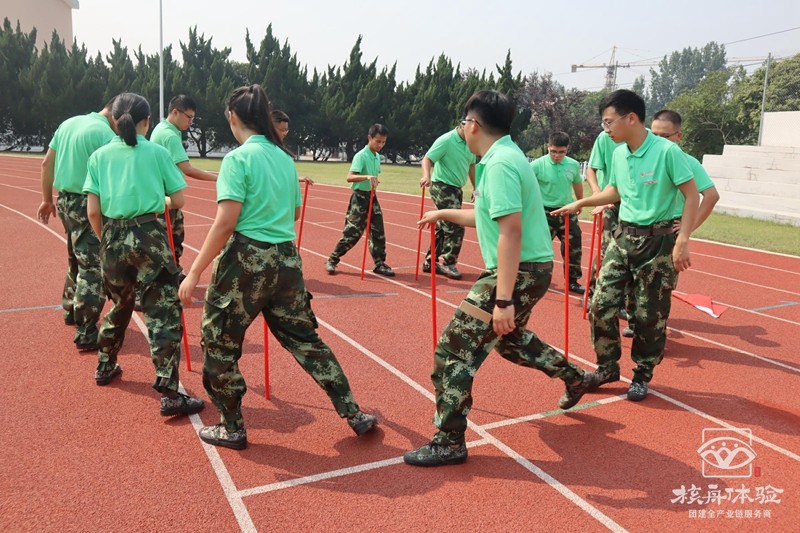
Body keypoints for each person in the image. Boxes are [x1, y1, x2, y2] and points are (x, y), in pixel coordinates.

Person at [403, 90, 596, 467]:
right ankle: (575, 377)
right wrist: (443, 213)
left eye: (463, 123)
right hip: (529, 269)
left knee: (452, 352)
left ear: (473, 124)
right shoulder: (505, 156)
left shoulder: (500, 164)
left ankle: (449, 441)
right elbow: (488, 216)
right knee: (509, 340)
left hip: (518, 271)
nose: (462, 129)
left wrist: (504, 299)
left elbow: (510, 231)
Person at [178, 85, 377, 450]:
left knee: (219, 343)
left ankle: (231, 426)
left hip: (246, 260)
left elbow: (226, 222)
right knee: (306, 340)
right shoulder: (285, 159)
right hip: (286, 260)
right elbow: (295, 212)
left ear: (232, 117)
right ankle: (353, 411)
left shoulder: (237, 159)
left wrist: (194, 272)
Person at [551, 89, 699, 402]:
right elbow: (615, 191)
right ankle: (607, 367)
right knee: (600, 305)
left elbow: (692, 195)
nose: (606, 129)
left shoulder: (667, 152)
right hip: (622, 239)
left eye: (609, 122)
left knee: (648, 317)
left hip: (657, 244)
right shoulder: (618, 153)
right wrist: (582, 202)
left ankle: (642, 373)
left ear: (631, 118)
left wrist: (683, 240)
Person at [83, 92, 204, 417]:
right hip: (149, 234)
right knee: (162, 312)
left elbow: (93, 211)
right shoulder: (157, 152)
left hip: (112, 236)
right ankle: (170, 393)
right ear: (147, 121)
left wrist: (108, 240)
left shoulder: (99, 157)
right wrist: (156, 201)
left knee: (119, 306)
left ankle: (105, 365)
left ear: (114, 120)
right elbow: (178, 200)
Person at [38, 99, 116, 352]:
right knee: (92, 266)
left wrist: (46, 199)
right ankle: (86, 329)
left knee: (75, 256)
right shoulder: (105, 134)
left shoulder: (68, 124)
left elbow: (46, 163)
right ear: (116, 115)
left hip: (65, 201)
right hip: (87, 202)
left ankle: (71, 308)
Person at [149, 94, 217, 269]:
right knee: (168, 241)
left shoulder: (162, 128)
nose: (191, 122)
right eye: (189, 117)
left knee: (170, 238)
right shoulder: (169, 136)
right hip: (166, 195)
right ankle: (169, 276)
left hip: (160, 192)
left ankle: (172, 272)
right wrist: (218, 178)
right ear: (175, 112)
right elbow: (187, 169)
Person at [325, 124, 395, 277]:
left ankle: (379, 263)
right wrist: (366, 177)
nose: (380, 145)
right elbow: (350, 177)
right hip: (359, 198)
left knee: (378, 232)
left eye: (383, 142)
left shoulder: (376, 157)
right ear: (370, 138)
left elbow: (374, 175)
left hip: (372, 197)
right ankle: (332, 259)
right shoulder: (361, 156)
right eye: (378, 141)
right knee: (352, 233)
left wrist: (373, 180)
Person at [585, 130, 631, 335]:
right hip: (609, 205)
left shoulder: (645, 139)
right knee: (606, 253)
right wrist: (598, 195)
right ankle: (594, 295)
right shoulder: (605, 138)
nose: (609, 127)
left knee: (628, 255)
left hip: (631, 205)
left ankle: (622, 302)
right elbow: (591, 169)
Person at [418, 123, 476, 280]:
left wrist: (476, 188)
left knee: (443, 226)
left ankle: (430, 261)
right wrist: (426, 175)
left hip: (456, 189)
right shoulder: (446, 140)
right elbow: (427, 159)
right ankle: (449, 263)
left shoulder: (471, 142)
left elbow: (472, 165)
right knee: (456, 224)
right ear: (462, 124)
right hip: (441, 186)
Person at [531, 131, 586, 294]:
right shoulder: (537, 165)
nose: (557, 155)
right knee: (537, 249)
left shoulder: (573, 165)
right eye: (553, 151)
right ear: (548, 147)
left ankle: (572, 281)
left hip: (567, 212)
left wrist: (579, 202)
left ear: (567, 149)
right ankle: (533, 279)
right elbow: (526, 186)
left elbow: (577, 184)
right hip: (544, 213)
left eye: (561, 152)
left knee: (573, 248)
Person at [271, 109, 314, 184]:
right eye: (282, 130)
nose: (284, 133)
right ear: (271, 128)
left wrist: (298, 179)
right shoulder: (265, 149)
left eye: (286, 130)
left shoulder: (279, 149)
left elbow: (281, 175)